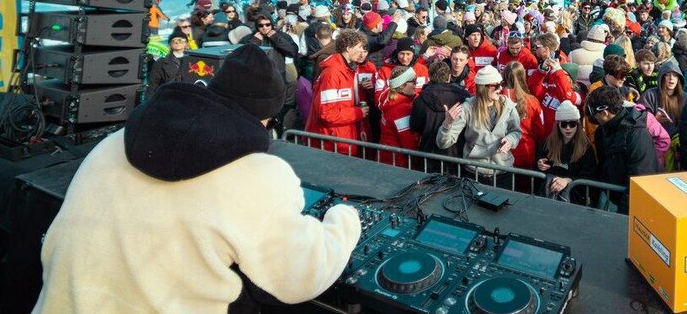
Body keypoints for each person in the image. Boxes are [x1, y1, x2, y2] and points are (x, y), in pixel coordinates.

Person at [33, 45, 361, 313]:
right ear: (265, 117)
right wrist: (344, 220)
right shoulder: (257, 174)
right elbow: (298, 278)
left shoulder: (114, 142)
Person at [436, 66, 522, 183]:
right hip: (474, 173)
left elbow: (516, 131)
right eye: (496, 85)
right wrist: (447, 124)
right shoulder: (467, 108)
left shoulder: (507, 105)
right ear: (483, 88)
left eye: (501, 84)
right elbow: (443, 143)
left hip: (503, 172)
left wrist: (510, 140)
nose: (500, 88)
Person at [588, 86, 659, 213]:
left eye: (595, 114)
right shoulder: (603, 130)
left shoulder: (637, 135)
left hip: (629, 204)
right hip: (611, 195)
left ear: (605, 113)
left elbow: (640, 180)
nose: (593, 119)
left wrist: (622, 215)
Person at [305, 30, 370, 156]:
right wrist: (358, 113)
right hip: (332, 140)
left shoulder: (349, 69)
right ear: (348, 48)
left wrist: (360, 126)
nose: (362, 51)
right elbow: (327, 113)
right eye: (359, 47)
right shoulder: (332, 73)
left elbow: (352, 101)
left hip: (343, 135)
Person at [536, 101, 597, 204]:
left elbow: (589, 176)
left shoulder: (585, 146)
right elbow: (540, 165)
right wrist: (539, 164)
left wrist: (568, 181)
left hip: (573, 198)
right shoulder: (548, 142)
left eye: (572, 124)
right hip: (549, 194)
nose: (568, 128)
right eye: (564, 124)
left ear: (577, 124)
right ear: (558, 124)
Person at [410, 61, 470, 156]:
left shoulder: (420, 99)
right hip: (456, 152)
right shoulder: (464, 96)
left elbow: (415, 126)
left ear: (429, 76)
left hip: (429, 152)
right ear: (449, 76)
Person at [502, 62, 548, 170]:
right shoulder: (532, 101)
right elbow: (540, 131)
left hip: (501, 151)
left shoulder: (496, 98)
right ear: (523, 76)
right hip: (525, 151)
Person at [377, 65, 420, 167]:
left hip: (387, 158)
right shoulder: (402, 110)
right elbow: (409, 143)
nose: (416, 85)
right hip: (399, 163)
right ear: (402, 85)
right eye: (413, 81)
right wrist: (419, 161)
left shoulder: (389, 100)